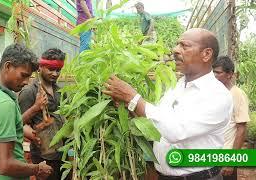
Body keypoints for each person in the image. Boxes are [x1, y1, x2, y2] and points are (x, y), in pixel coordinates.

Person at [103, 28, 233, 180]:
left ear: (206, 54)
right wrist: (128, 106)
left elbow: (175, 130)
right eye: (177, 45)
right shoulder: (176, 86)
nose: (175, 50)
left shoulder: (217, 95)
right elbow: (156, 126)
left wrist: (133, 97)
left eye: (184, 46)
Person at [0, 43, 53, 180]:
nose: (26, 82)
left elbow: (5, 124)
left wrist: (35, 108)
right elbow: (5, 166)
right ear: (8, 66)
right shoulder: (5, 104)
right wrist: (37, 168)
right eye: (24, 75)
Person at [18, 48, 66, 180]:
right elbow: (20, 123)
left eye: (58, 70)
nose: (55, 73)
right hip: (44, 156)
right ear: (40, 67)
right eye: (51, 69)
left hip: (63, 153)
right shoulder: (29, 92)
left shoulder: (61, 91)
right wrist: (35, 136)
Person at [213, 55, 250, 180]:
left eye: (218, 72)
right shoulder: (214, 94)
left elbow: (241, 128)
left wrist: (231, 162)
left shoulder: (237, 94)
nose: (214, 76)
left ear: (229, 74)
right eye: (213, 72)